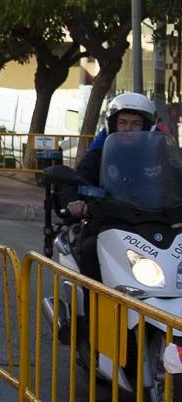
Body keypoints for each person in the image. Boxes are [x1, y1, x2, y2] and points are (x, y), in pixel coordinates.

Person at [65, 93, 159, 284]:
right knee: (91, 250)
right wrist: (75, 202)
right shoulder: (98, 155)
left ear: (147, 127)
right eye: (123, 122)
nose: (128, 129)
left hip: (155, 224)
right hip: (109, 224)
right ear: (113, 124)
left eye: (135, 123)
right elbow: (76, 182)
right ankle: (92, 310)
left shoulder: (159, 156)